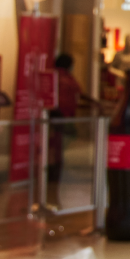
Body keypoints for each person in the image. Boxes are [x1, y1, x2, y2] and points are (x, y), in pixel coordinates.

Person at [46, 52, 98, 200]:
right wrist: (94, 103)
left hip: (57, 114)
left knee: (56, 144)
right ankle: (55, 171)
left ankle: (55, 170)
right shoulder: (65, 78)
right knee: (58, 144)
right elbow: (78, 92)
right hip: (61, 115)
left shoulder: (54, 76)